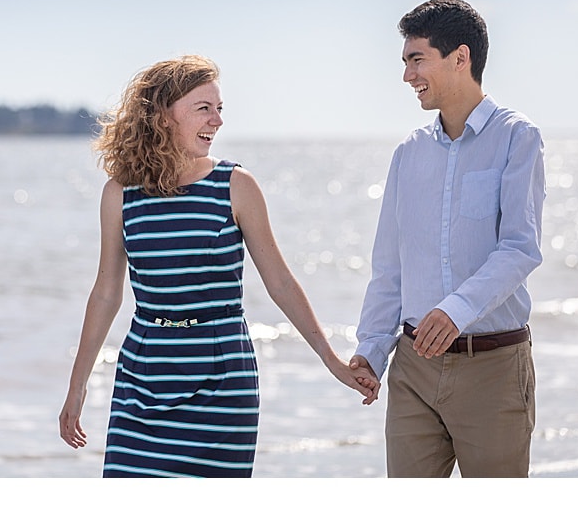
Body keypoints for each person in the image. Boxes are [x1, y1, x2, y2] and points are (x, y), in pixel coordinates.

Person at [59, 54, 379, 477]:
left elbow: (280, 282)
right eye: (203, 108)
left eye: (220, 109)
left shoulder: (235, 186)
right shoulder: (120, 194)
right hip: (143, 373)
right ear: (162, 116)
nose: (218, 121)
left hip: (221, 377)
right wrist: (77, 385)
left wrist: (332, 360)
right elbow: (106, 293)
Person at [348, 0, 546, 478]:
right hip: (413, 370)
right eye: (405, 61)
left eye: (417, 59)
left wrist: (455, 309)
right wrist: (371, 351)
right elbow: (389, 266)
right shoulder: (408, 153)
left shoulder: (518, 138)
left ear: (461, 57)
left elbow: (520, 247)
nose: (407, 75)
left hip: (493, 368)